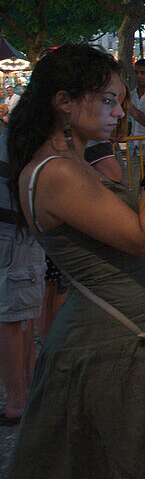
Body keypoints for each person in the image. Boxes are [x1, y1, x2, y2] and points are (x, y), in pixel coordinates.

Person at [5, 43, 145, 479]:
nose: (119, 113)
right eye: (107, 100)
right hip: (105, 352)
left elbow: (128, 219)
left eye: (119, 101)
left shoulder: (71, 162)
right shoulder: (57, 171)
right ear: (64, 102)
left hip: (113, 344)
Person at [0, 127, 45, 426]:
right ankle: (21, 394)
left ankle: (20, 393)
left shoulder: (13, 136)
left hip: (15, 234)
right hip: (17, 234)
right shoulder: (14, 136)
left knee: (15, 317)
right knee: (16, 317)